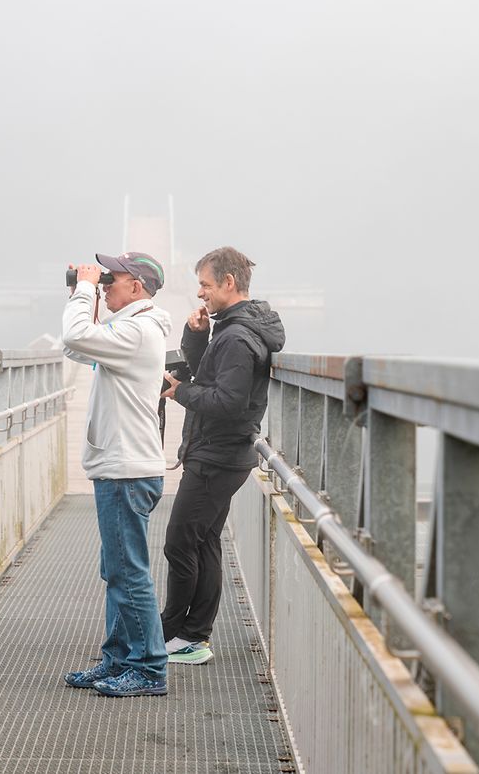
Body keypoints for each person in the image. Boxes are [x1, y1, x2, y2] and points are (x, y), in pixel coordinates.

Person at [160, 246, 285, 665]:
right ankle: (192, 636)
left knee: (180, 542)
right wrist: (196, 337)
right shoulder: (236, 328)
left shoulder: (236, 335)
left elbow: (228, 401)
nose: (201, 294)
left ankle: (177, 634)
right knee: (203, 540)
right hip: (224, 452)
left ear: (228, 283)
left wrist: (181, 393)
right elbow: (214, 375)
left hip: (217, 455)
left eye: (205, 285)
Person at [60, 251, 173, 697]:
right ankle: (118, 660)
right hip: (119, 467)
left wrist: (85, 289)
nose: (105, 283)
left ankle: (148, 669)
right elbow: (74, 344)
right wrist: (81, 293)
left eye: (113, 278)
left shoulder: (138, 331)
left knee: (129, 573)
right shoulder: (126, 329)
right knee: (118, 570)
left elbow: (74, 334)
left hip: (127, 470)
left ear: (137, 287)